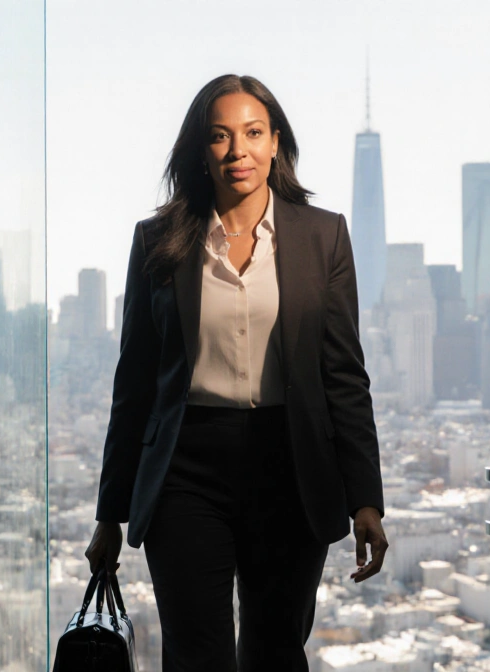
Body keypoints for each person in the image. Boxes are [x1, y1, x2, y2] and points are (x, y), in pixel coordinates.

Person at [83, 74, 389, 671]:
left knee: (275, 652)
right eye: (219, 136)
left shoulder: (323, 236)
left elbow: (345, 377)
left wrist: (366, 501)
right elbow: (136, 384)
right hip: (185, 472)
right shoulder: (158, 240)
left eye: (252, 133)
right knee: (197, 656)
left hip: (291, 466)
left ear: (276, 143)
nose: (237, 150)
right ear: (201, 151)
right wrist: (108, 514)